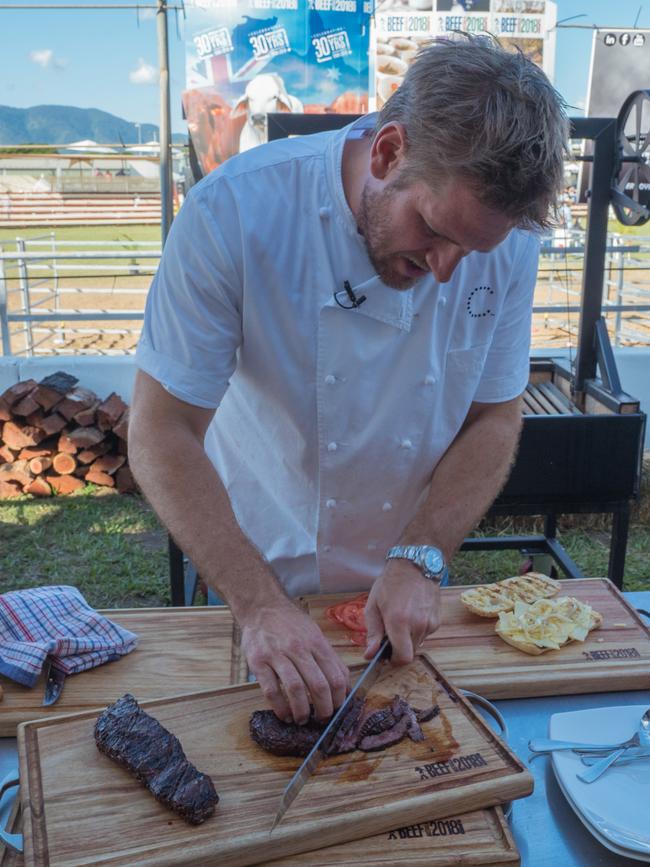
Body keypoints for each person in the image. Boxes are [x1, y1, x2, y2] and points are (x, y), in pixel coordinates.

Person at [129, 35, 568, 727]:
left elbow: (493, 416)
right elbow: (162, 429)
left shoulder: (505, 244)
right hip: (253, 572)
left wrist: (421, 557)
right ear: (389, 151)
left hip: (407, 583)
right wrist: (259, 604)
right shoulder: (234, 212)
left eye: (472, 248)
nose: (447, 270)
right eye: (431, 229)